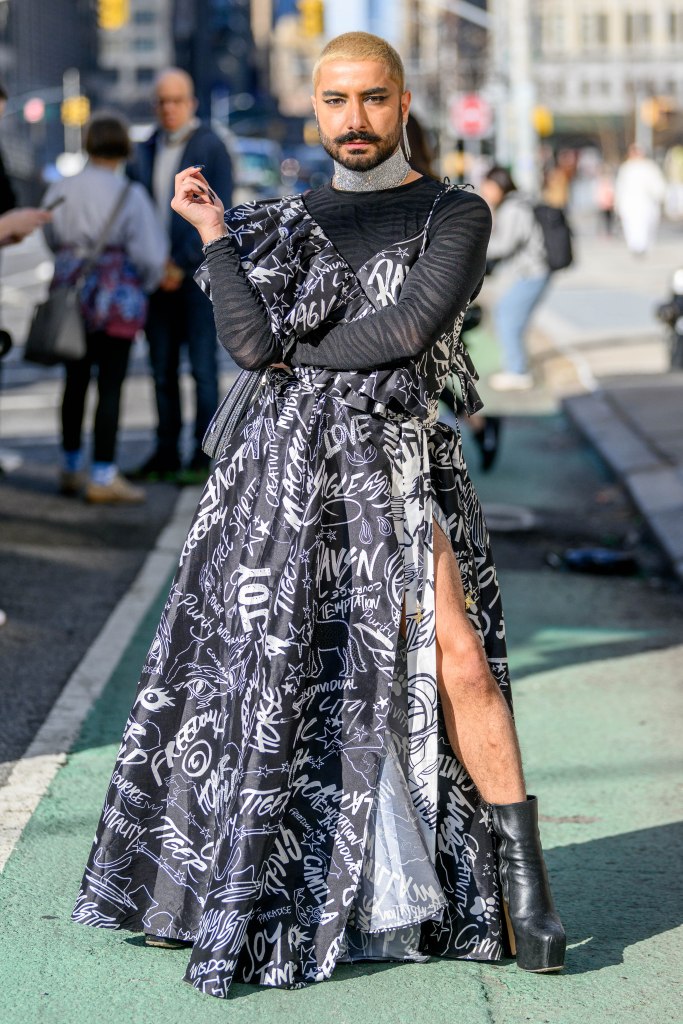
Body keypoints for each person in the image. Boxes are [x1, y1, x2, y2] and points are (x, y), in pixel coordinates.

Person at [72, 33, 565, 997]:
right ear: (315, 105)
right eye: (335, 101)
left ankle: (523, 882)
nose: (353, 120)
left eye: (372, 99)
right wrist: (214, 236)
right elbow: (248, 344)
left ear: (403, 101)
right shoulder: (276, 219)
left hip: (396, 462)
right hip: (285, 477)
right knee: (282, 670)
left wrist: (297, 358)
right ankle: (267, 883)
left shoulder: (452, 211)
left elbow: (409, 331)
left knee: (453, 654)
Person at [42, 112, 168, 504]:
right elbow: (149, 255)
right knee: (110, 386)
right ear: (124, 150)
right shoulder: (129, 194)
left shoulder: (62, 187)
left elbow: (48, 232)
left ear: (88, 144)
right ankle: (102, 474)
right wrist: (144, 284)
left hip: (72, 292)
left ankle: (69, 464)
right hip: (117, 300)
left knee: (74, 381)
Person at [128, 68, 233, 484]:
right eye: (162, 101)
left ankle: (201, 457)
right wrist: (155, 266)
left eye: (176, 100)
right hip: (156, 278)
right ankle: (166, 452)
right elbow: (137, 214)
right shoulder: (145, 148)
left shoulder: (210, 145)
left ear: (191, 104)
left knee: (203, 369)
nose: (168, 108)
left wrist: (181, 263)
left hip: (197, 278)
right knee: (161, 369)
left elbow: (216, 211)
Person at [479, 166, 551, 391]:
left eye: (487, 187)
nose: (485, 192)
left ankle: (517, 371)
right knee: (508, 315)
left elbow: (504, 245)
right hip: (531, 273)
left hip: (533, 273)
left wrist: (475, 249)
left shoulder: (513, 208)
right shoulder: (516, 204)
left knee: (508, 317)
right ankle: (515, 365)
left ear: (499, 185)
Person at [614, 144, 666, 257]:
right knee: (631, 225)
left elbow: (657, 184)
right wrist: (617, 203)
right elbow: (620, 187)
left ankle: (644, 247)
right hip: (630, 202)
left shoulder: (649, 167)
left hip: (646, 202)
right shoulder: (626, 168)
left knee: (647, 224)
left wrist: (659, 195)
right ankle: (635, 247)